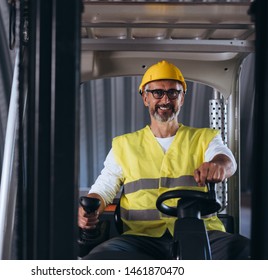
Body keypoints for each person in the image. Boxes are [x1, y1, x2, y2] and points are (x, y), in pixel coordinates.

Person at [78, 60, 250, 260]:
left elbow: (226, 159)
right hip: (140, 237)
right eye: (157, 93)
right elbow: (103, 189)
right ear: (145, 98)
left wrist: (218, 166)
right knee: (98, 260)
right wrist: (90, 210)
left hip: (202, 232)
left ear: (182, 98)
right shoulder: (124, 145)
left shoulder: (205, 137)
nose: (165, 100)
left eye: (173, 93)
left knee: (248, 253)